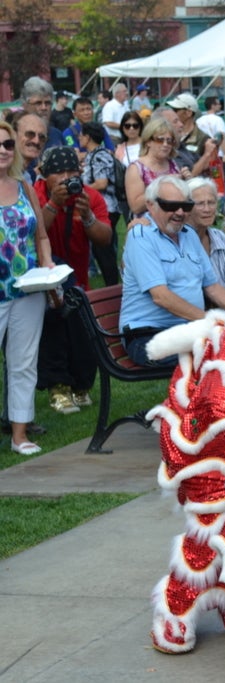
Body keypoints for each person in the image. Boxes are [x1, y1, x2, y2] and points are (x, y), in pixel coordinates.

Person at [120, 175, 225, 366]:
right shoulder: (141, 236)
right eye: (170, 206)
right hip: (147, 335)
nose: (179, 212)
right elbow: (161, 297)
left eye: (185, 206)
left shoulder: (189, 234)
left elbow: (212, 287)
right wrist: (212, 321)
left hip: (189, 329)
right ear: (151, 205)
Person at [33, 145, 112, 416]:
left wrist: (87, 215)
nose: (66, 177)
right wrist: (54, 204)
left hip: (78, 280)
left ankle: (82, 386)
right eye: (58, 172)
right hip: (45, 280)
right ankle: (58, 388)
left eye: (71, 171)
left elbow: (105, 238)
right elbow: (32, 232)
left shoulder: (89, 196)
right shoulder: (36, 193)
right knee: (53, 330)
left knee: (82, 334)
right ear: (45, 175)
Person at [0, 120, 53, 455]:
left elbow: (41, 235)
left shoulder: (23, 184)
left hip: (27, 290)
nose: (3, 151)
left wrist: (48, 267)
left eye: (7, 144)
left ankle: (20, 435)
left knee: (23, 362)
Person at [186, 177, 225, 306]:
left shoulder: (220, 237)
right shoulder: (179, 240)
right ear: (187, 207)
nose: (207, 209)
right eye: (200, 204)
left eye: (211, 202)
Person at [79, 121, 120, 286]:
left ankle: (113, 289)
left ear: (88, 137)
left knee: (104, 251)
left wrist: (80, 189)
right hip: (100, 207)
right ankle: (112, 287)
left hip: (106, 207)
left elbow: (102, 183)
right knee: (101, 251)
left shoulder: (100, 155)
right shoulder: (94, 154)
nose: (79, 138)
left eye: (81, 135)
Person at [124, 117, 181, 216]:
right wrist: (162, 185)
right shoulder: (136, 168)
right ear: (148, 142)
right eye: (160, 140)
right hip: (148, 224)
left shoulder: (173, 165)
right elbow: (135, 207)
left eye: (169, 141)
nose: (165, 144)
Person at [20, 77, 63, 151]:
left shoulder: (56, 135)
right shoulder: (15, 136)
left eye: (48, 103)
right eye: (38, 103)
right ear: (25, 106)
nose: (44, 108)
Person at [9, 112, 48, 183]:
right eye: (30, 134)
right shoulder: (3, 174)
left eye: (42, 137)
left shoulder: (28, 177)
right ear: (14, 135)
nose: (36, 141)